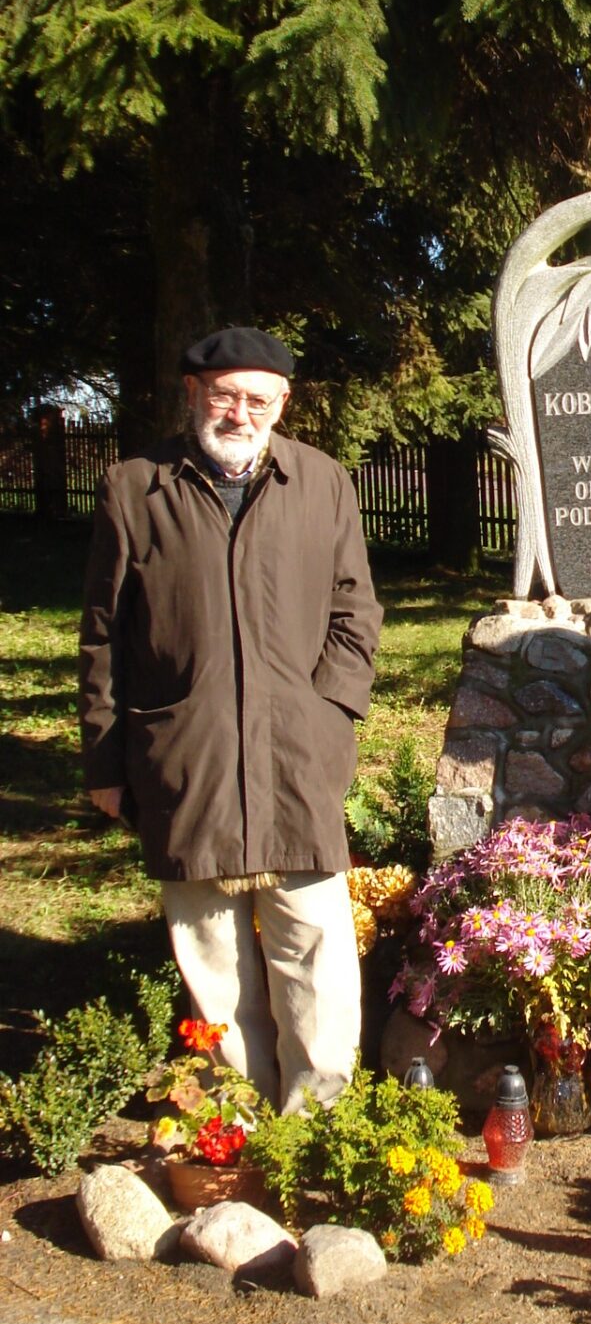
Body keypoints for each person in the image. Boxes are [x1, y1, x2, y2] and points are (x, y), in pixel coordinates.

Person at [79, 327, 383, 1112]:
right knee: (211, 957)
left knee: (315, 946)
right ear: (193, 395)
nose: (239, 413)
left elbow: (355, 610)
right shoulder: (134, 489)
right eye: (224, 396)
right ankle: (232, 1125)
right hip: (189, 758)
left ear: (283, 403)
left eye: (257, 399)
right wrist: (106, 763)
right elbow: (104, 636)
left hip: (296, 759)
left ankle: (316, 1123)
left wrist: (329, 711)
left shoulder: (322, 482)